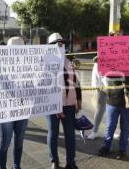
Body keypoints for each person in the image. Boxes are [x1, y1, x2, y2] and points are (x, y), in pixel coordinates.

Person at [46, 33, 82, 169]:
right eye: (57, 43)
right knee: (53, 133)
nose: (60, 45)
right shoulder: (45, 62)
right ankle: (54, 161)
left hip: (69, 105)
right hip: (52, 105)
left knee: (70, 135)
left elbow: (76, 82)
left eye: (62, 43)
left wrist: (79, 100)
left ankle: (71, 162)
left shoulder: (69, 62)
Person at [0, 36, 28, 169]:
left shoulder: (29, 65)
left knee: (19, 141)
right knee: (5, 142)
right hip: (6, 110)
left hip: (23, 108)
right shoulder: (0, 65)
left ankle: (16, 166)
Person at [98, 74, 129, 160]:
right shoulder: (111, 66)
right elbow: (103, 74)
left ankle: (122, 150)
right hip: (112, 101)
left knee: (125, 128)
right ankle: (106, 147)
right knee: (109, 126)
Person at [87, 56, 107, 139]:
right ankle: (95, 131)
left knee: (112, 110)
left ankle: (110, 130)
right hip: (102, 86)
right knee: (100, 108)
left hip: (116, 85)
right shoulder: (100, 57)